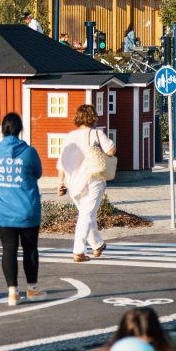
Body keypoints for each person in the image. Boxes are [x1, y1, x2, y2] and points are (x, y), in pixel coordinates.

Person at [0, 112, 44, 305]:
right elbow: (38, 173)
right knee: (30, 249)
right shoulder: (29, 152)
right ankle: (32, 289)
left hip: (1, 210)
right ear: (21, 130)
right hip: (27, 209)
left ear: (2, 129)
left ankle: (12, 293)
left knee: (8, 249)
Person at [55, 104, 115, 263]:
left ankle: (97, 245)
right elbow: (111, 150)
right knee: (86, 216)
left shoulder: (69, 136)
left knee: (87, 215)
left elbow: (61, 162)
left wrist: (60, 182)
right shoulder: (96, 133)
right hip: (92, 179)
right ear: (93, 117)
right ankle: (78, 251)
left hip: (72, 182)